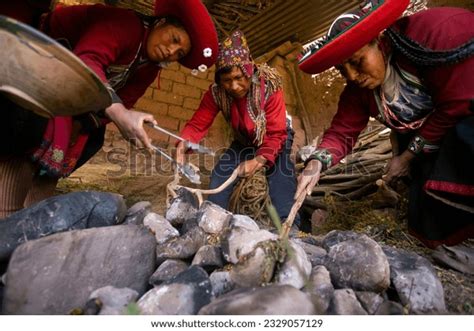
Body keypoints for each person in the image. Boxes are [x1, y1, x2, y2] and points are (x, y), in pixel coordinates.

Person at [0, 0, 218, 218]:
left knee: (87, 138)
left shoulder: (150, 67)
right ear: (160, 22)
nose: (171, 51)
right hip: (35, 68)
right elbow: (87, 62)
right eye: (174, 39)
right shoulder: (125, 24)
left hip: (71, 99)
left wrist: (122, 123)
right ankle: (7, 215)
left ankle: (32, 219)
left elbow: (126, 99)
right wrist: (120, 114)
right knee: (31, 138)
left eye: (179, 54)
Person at [296, 0, 473, 249]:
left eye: (357, 62)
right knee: (426, 218)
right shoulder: (357, 94)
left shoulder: (427, 40)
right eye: (341, 70)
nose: (352, 76)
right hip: (432, 146)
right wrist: (315, 164)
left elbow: (458, 102)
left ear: (379, 40)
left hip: (463, 125)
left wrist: (406, 158)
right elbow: (342, 132)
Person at [176, 30, 300, 227]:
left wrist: (258, 160)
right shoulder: (216, 94)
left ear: (249, 70)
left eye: (239, 77)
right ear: (219, 80)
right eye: (226, 80)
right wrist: (183, 144)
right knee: (220, 174)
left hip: (275, 137)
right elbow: (198, 123)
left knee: (281, 175)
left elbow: (277, 133)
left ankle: (288, 227)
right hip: (244, 141)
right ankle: (214, 225)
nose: (234, 86)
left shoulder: (269, 86)